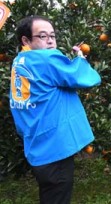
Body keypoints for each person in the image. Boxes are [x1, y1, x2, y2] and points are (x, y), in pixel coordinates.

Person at [9, 16, 101, 203]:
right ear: (26, 40)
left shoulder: (19, 62)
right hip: (55, 147)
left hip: (37, 145)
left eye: (52, 35)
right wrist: (80, 59)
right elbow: (86, 78)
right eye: (42, 36)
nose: (50, 40)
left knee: (50, 195)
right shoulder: (47, 59)